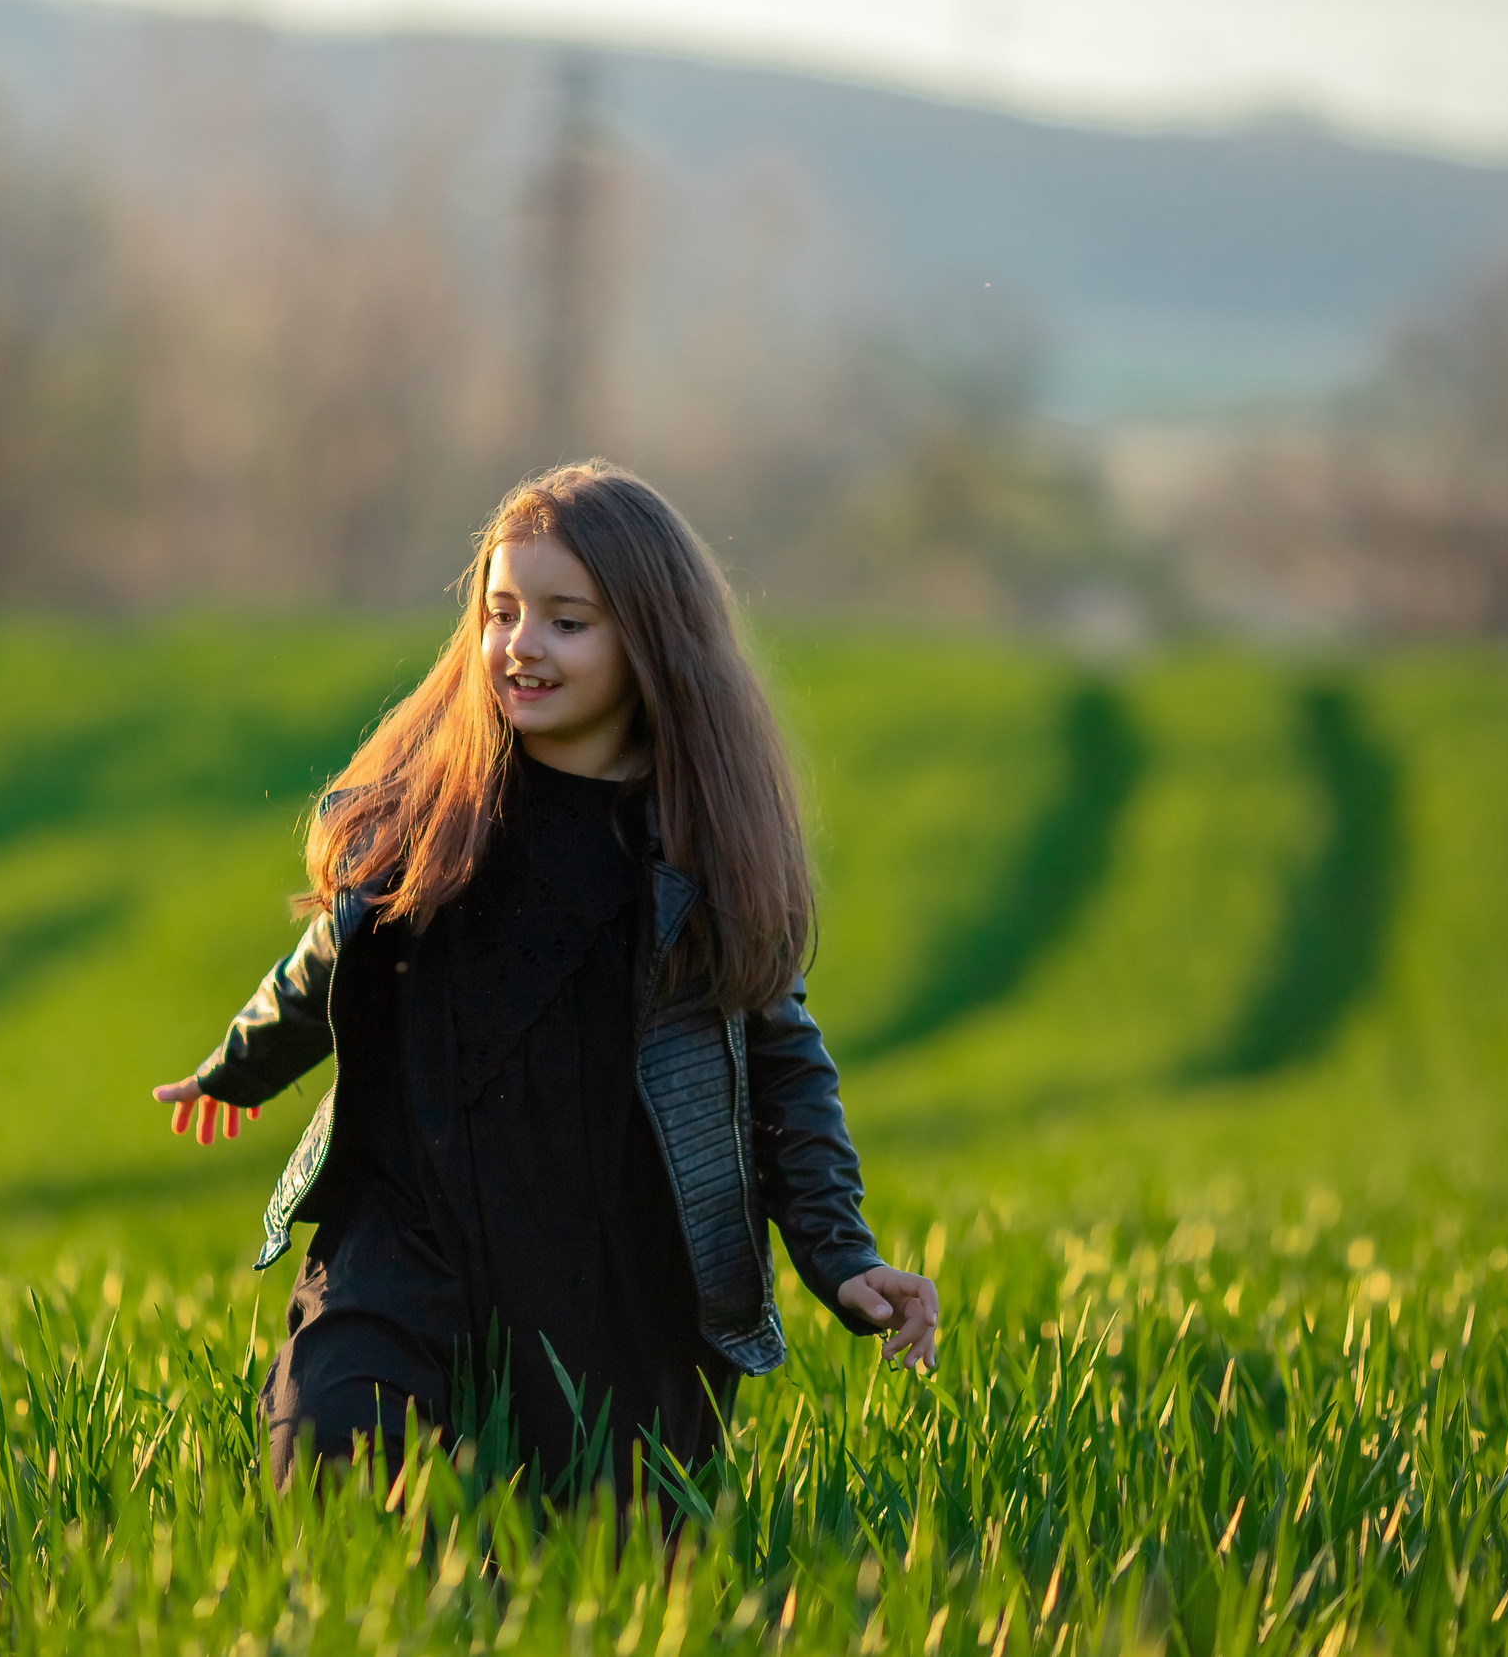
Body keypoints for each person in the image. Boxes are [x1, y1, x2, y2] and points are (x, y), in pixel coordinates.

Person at [151, 461, 939, 1493]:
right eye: (502, 612)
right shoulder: (433, 807)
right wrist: (239, 1065)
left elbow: (784, 1079)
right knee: (331, 1462)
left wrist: (840, 1259)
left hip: (610, 1275)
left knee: (583, 1559)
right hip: (405, 1234)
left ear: (651, 644)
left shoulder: (700, 865)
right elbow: (329, 960)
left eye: (567, 623)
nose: (520, 646)